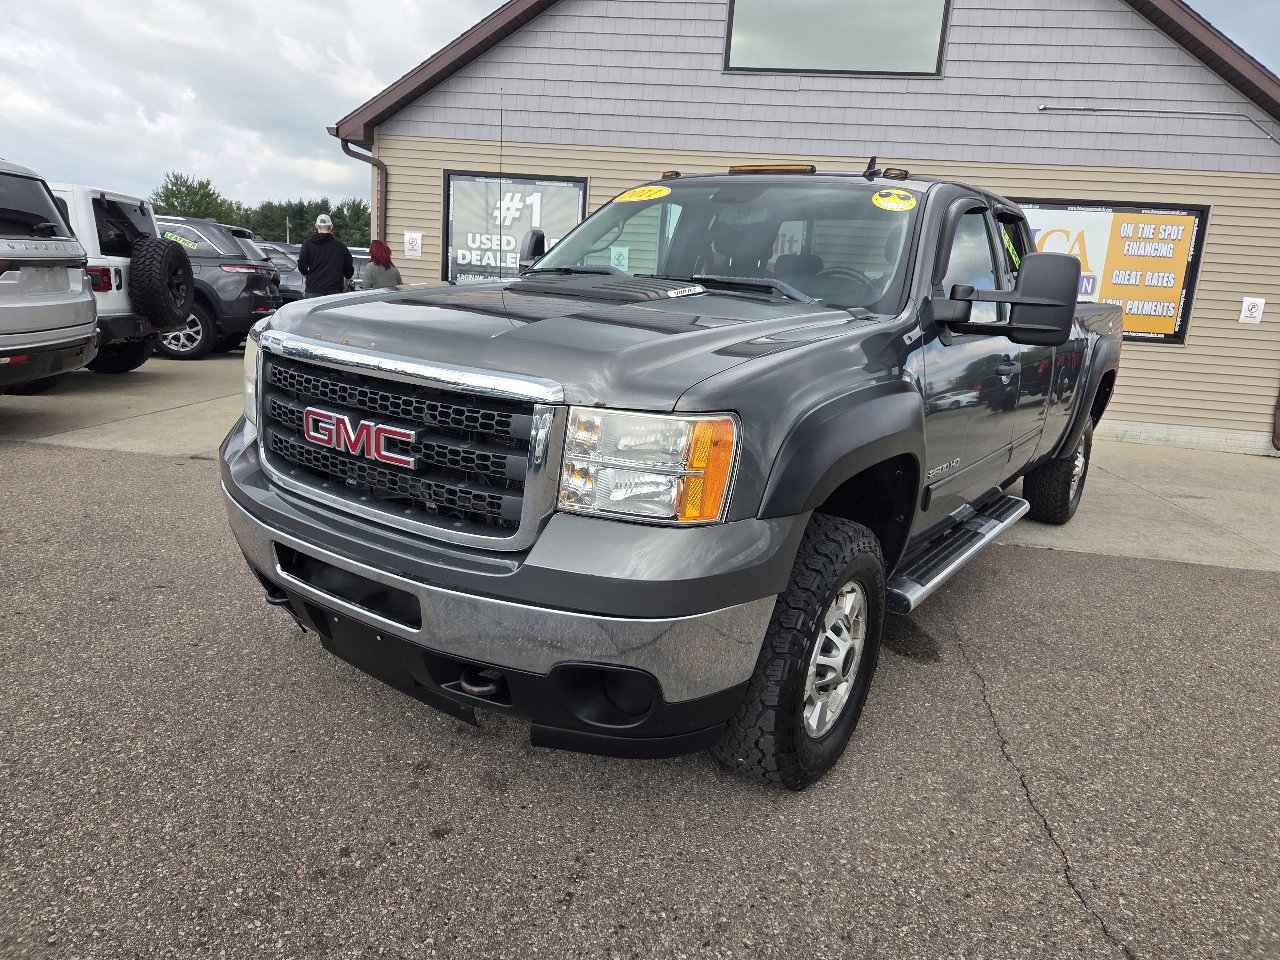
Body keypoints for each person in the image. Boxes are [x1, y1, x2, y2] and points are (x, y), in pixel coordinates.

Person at [297, 214, 353, 297]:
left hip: (313, 290)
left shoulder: (307, 244)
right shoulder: (341, 247)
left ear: (316, 226)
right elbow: (349, 271)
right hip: (334, 292)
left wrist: (310, 276)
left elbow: (301, 266)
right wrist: (344, 286)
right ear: (331, 227)